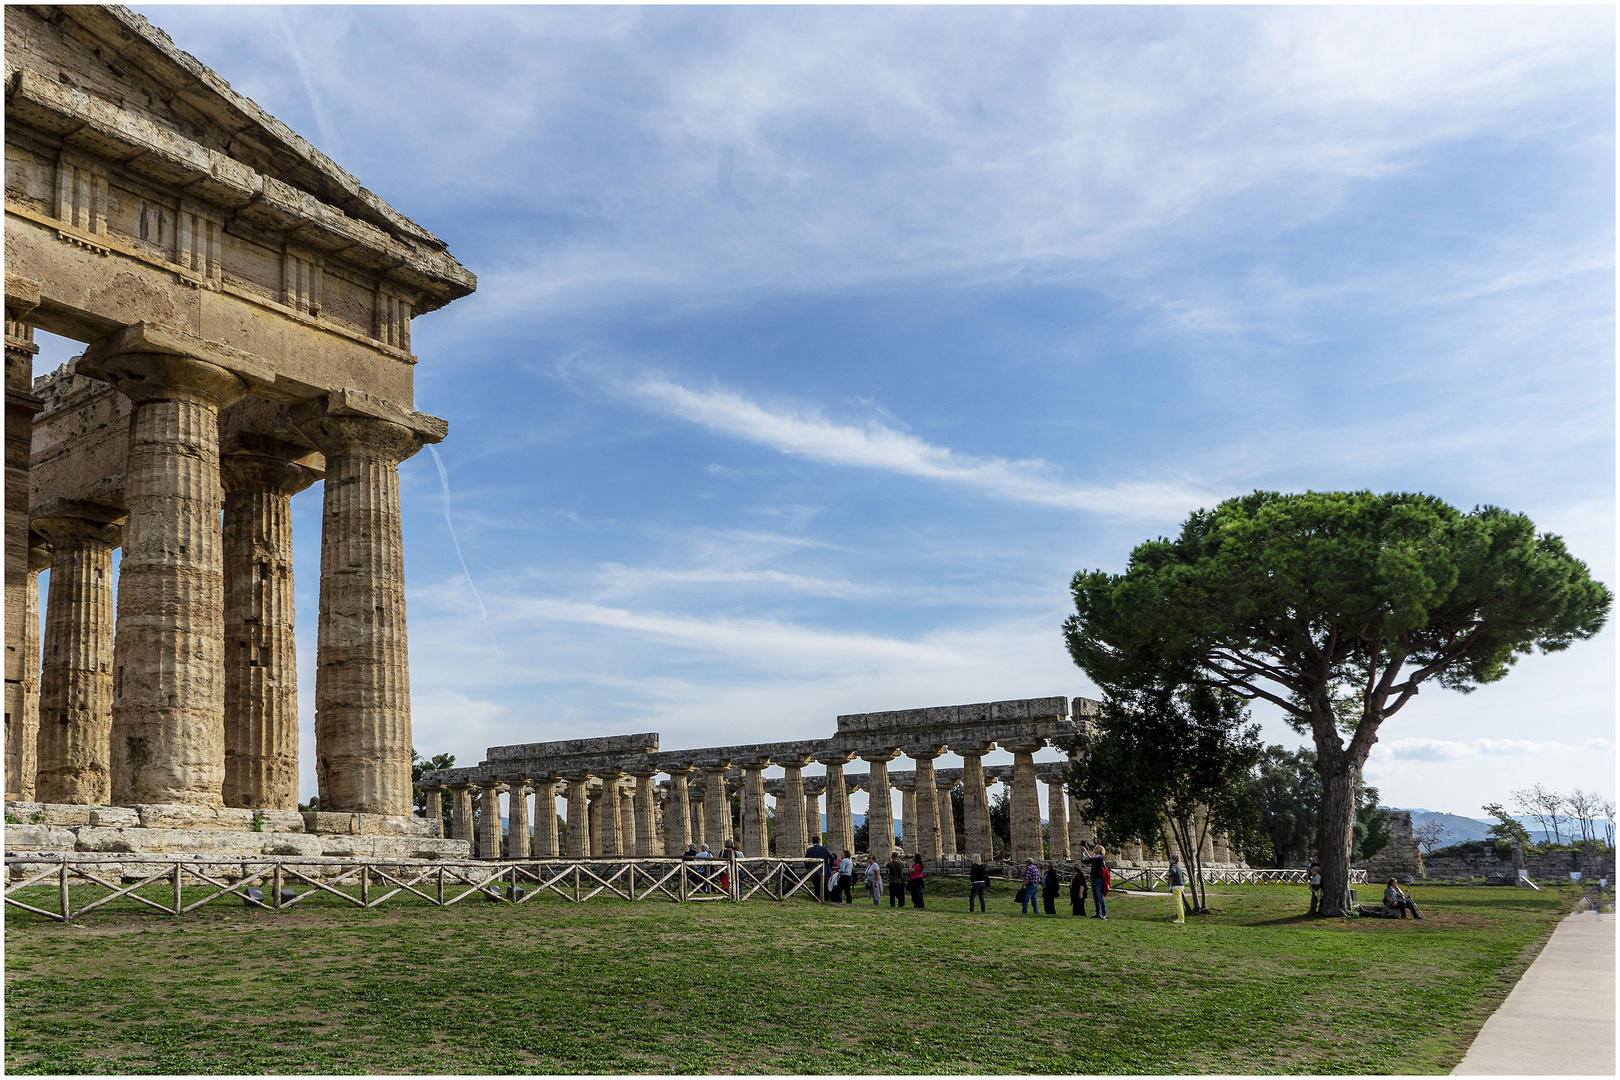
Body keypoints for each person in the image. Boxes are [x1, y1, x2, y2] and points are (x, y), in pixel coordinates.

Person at [805, 835, 831, 900]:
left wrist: (808, 868)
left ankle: (817, 898)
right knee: (825, 885)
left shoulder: (810, 850)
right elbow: (832, 857)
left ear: (812, 842)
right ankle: (826, 899)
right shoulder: (824, 848)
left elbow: (806, 860)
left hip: (814, 871)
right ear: (819, 841)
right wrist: (828, 866)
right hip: (824, 870)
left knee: (816, 886)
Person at [1087, 845, 1109, 919]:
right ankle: (1097, 913)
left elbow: (1091, 860)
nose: (1094, 849)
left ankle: (1104, 914)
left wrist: (1085, 851)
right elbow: (1086, 861)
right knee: (1095, 897)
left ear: (1100, 850)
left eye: (1096, 848)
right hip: (1093, 878)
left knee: (1100, 897)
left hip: (1098, 879)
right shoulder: (1095, 858)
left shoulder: (1100, 858)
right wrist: (1082, 852)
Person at [1166, 854, 1186, 924]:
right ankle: (1181, 918)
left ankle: (1181, 919)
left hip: (1176, 885)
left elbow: (1173, 872)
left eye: (1170, 858)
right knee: (1179, 902)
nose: (1169, 860)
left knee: (1178, 903)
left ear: (1174, 860)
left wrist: (1167, 876)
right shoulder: (1177, 866)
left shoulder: (1173, 866)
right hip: (1180, 885)